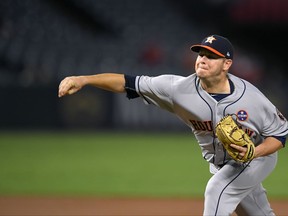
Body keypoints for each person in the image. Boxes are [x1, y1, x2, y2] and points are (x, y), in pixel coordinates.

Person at [58, 35, 288, 215]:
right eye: (201, 53)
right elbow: (127, 82)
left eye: (211, 56)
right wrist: (84, 79)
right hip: (221, 163)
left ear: (227, 63)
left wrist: (255, 152)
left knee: (217, 191)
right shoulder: (177, 89)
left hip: (258, 158)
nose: (203, 59)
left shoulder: (251, 98)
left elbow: (280, 134)